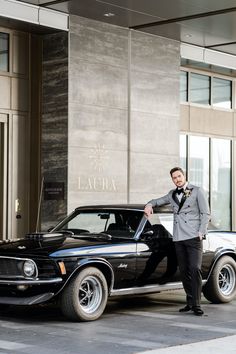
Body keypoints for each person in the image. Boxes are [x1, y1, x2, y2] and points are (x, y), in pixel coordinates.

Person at [144, 167, 210, 316]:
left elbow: (205, 212)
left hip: (194, 237)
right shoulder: (171, 194)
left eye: (179, 176)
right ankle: (189, 301)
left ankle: (197, 304)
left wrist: (202, 232)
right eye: (174, 178)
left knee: (195, 269)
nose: (177, 179)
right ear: (172, 179)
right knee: (184, 271)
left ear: (184, 176)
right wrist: (149, 205)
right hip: (179, 238)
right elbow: (157, 201)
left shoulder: (197, 191)